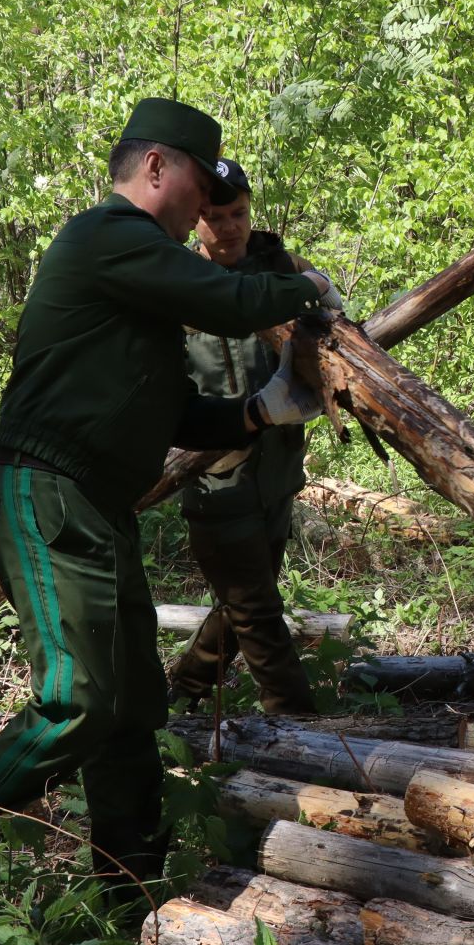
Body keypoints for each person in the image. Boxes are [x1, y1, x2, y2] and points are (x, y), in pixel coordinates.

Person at [0, 98, 346, 941]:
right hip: (42, 491)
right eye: (200, 187)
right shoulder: (105, 236)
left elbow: (176, 416)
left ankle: (130, 902)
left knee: (133, 708)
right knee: (79, 700)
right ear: (159, 167)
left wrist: (263, 410)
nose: (207, 209)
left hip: (96, 508)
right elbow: (223, 298)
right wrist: (303, 287)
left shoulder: (144, 284)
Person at [166, 158, 333, 715]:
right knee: (257, 609)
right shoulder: (175, 281)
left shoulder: (281, 266)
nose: (230, 227)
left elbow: (330, 332)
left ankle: (183, 690)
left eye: (238, 213)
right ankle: (296, 720)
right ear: (195, 220)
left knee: (242, 603)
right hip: (213, 471)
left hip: (278, 468)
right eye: (214, 217)